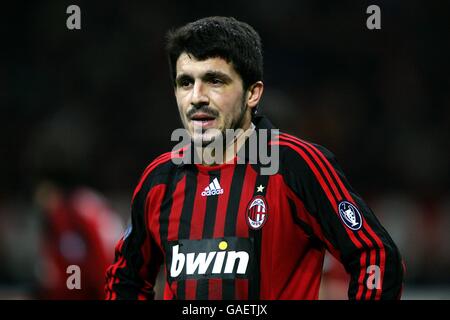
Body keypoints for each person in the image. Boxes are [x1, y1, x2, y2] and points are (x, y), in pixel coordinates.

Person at [105, 16, 404, 300]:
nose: (197, 96)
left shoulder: (296, 165)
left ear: (252, 93)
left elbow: (375, 256)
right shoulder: (159, 179)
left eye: (214, 81)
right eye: (185, 82)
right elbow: (125, 278)